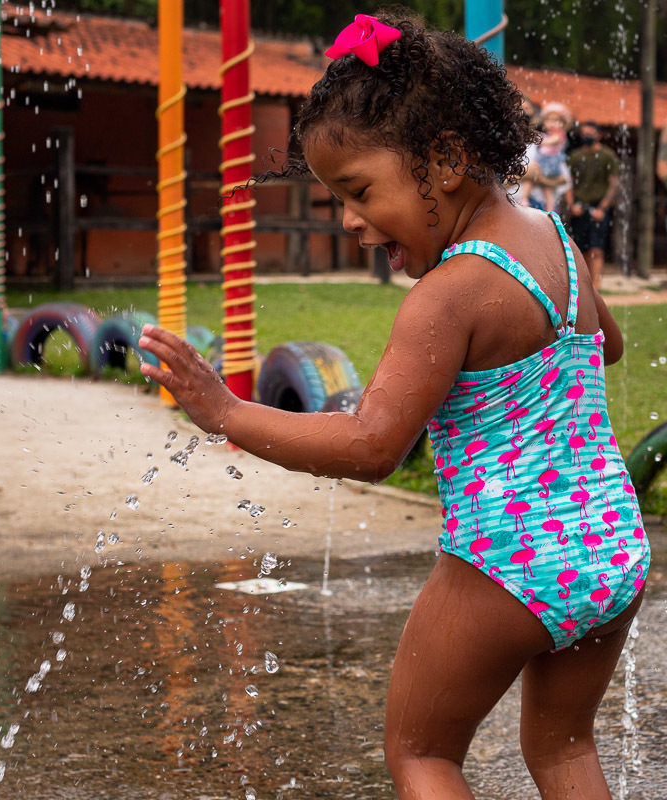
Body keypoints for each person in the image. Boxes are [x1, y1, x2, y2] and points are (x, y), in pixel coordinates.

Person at [138, 12, 648, 800]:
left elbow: (372, 445)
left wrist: (224, 411)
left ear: (444, 160)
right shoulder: (556, 239)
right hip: (610, 548)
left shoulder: (449, 296)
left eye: (359, 190)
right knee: (564, 750)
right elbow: (605, 347)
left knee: (423, 755)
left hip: (508, 563)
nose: (348, 219)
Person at [564, 122, 620, 289]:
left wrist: (603, 207)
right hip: (579, 208)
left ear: (598, 135)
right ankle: (584, 286)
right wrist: (571, 205)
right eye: (584, 133)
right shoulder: (575, 156)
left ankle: (596, 286)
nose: (586, 136)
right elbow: (568, 182)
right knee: (580, 250)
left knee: (597, 248)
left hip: (598, 207)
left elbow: (614, 183)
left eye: (590, 133)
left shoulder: (607, 155)